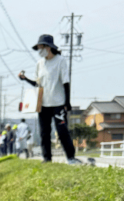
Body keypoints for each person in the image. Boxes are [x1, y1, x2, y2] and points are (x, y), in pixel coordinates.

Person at [19, 35, 80, 164]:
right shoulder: (39, 64)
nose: (39, 50)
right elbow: (37, 84)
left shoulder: (60, 61)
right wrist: (25, 79)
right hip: (43, 104)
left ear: (48, 47)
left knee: (62, 132)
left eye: (40, 47)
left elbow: (66, 82)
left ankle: (71, 157)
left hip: (58, 103)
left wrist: (67, 102)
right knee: (44, 133)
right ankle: (47, 158)